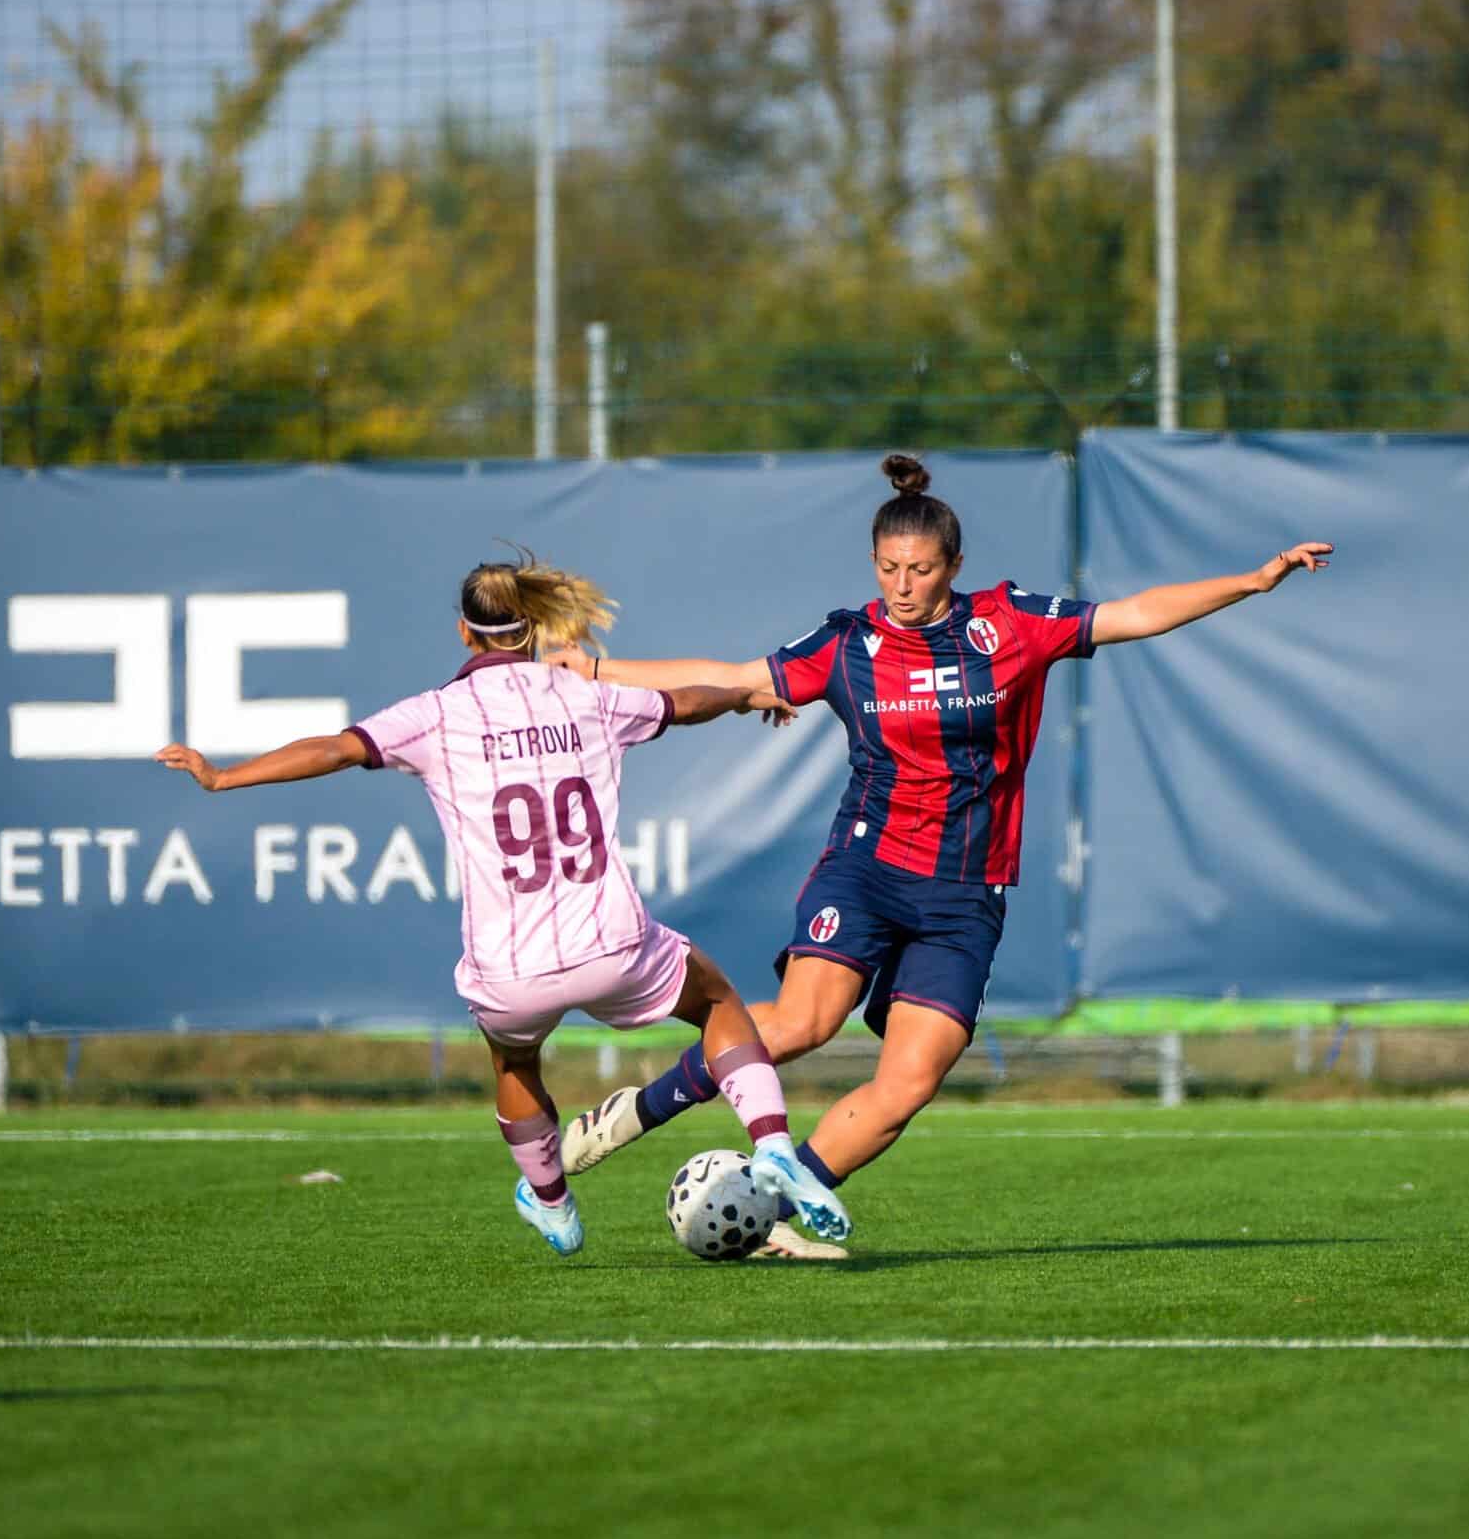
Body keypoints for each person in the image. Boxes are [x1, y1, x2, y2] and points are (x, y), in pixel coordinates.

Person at [553, 453, 1331, 1229]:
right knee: (803, 1024)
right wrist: (595, 670)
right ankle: (635, 1112)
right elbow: (727, 677)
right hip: (866, 866)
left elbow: (1134, 612)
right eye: (889, 568)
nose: (902, 585)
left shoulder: (1010, 625)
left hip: (964, 893)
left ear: (953, 565)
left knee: (911, 1084)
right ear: (873, 563)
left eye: (920, 570)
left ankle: (779, 1224)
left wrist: (1251, 582)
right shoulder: (849, 642)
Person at [152, 551, 851, 1259]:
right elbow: (687, 702)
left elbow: (334, 749)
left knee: (515, 1065)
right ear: (530, 628)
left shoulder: (435, 715)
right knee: (720, 1006)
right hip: (611, 942)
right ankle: (773, 1146)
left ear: (465, 633)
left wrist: (224, 777)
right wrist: (744, 697)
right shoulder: (584, 695)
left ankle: (551, 1203)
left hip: (511, 967)